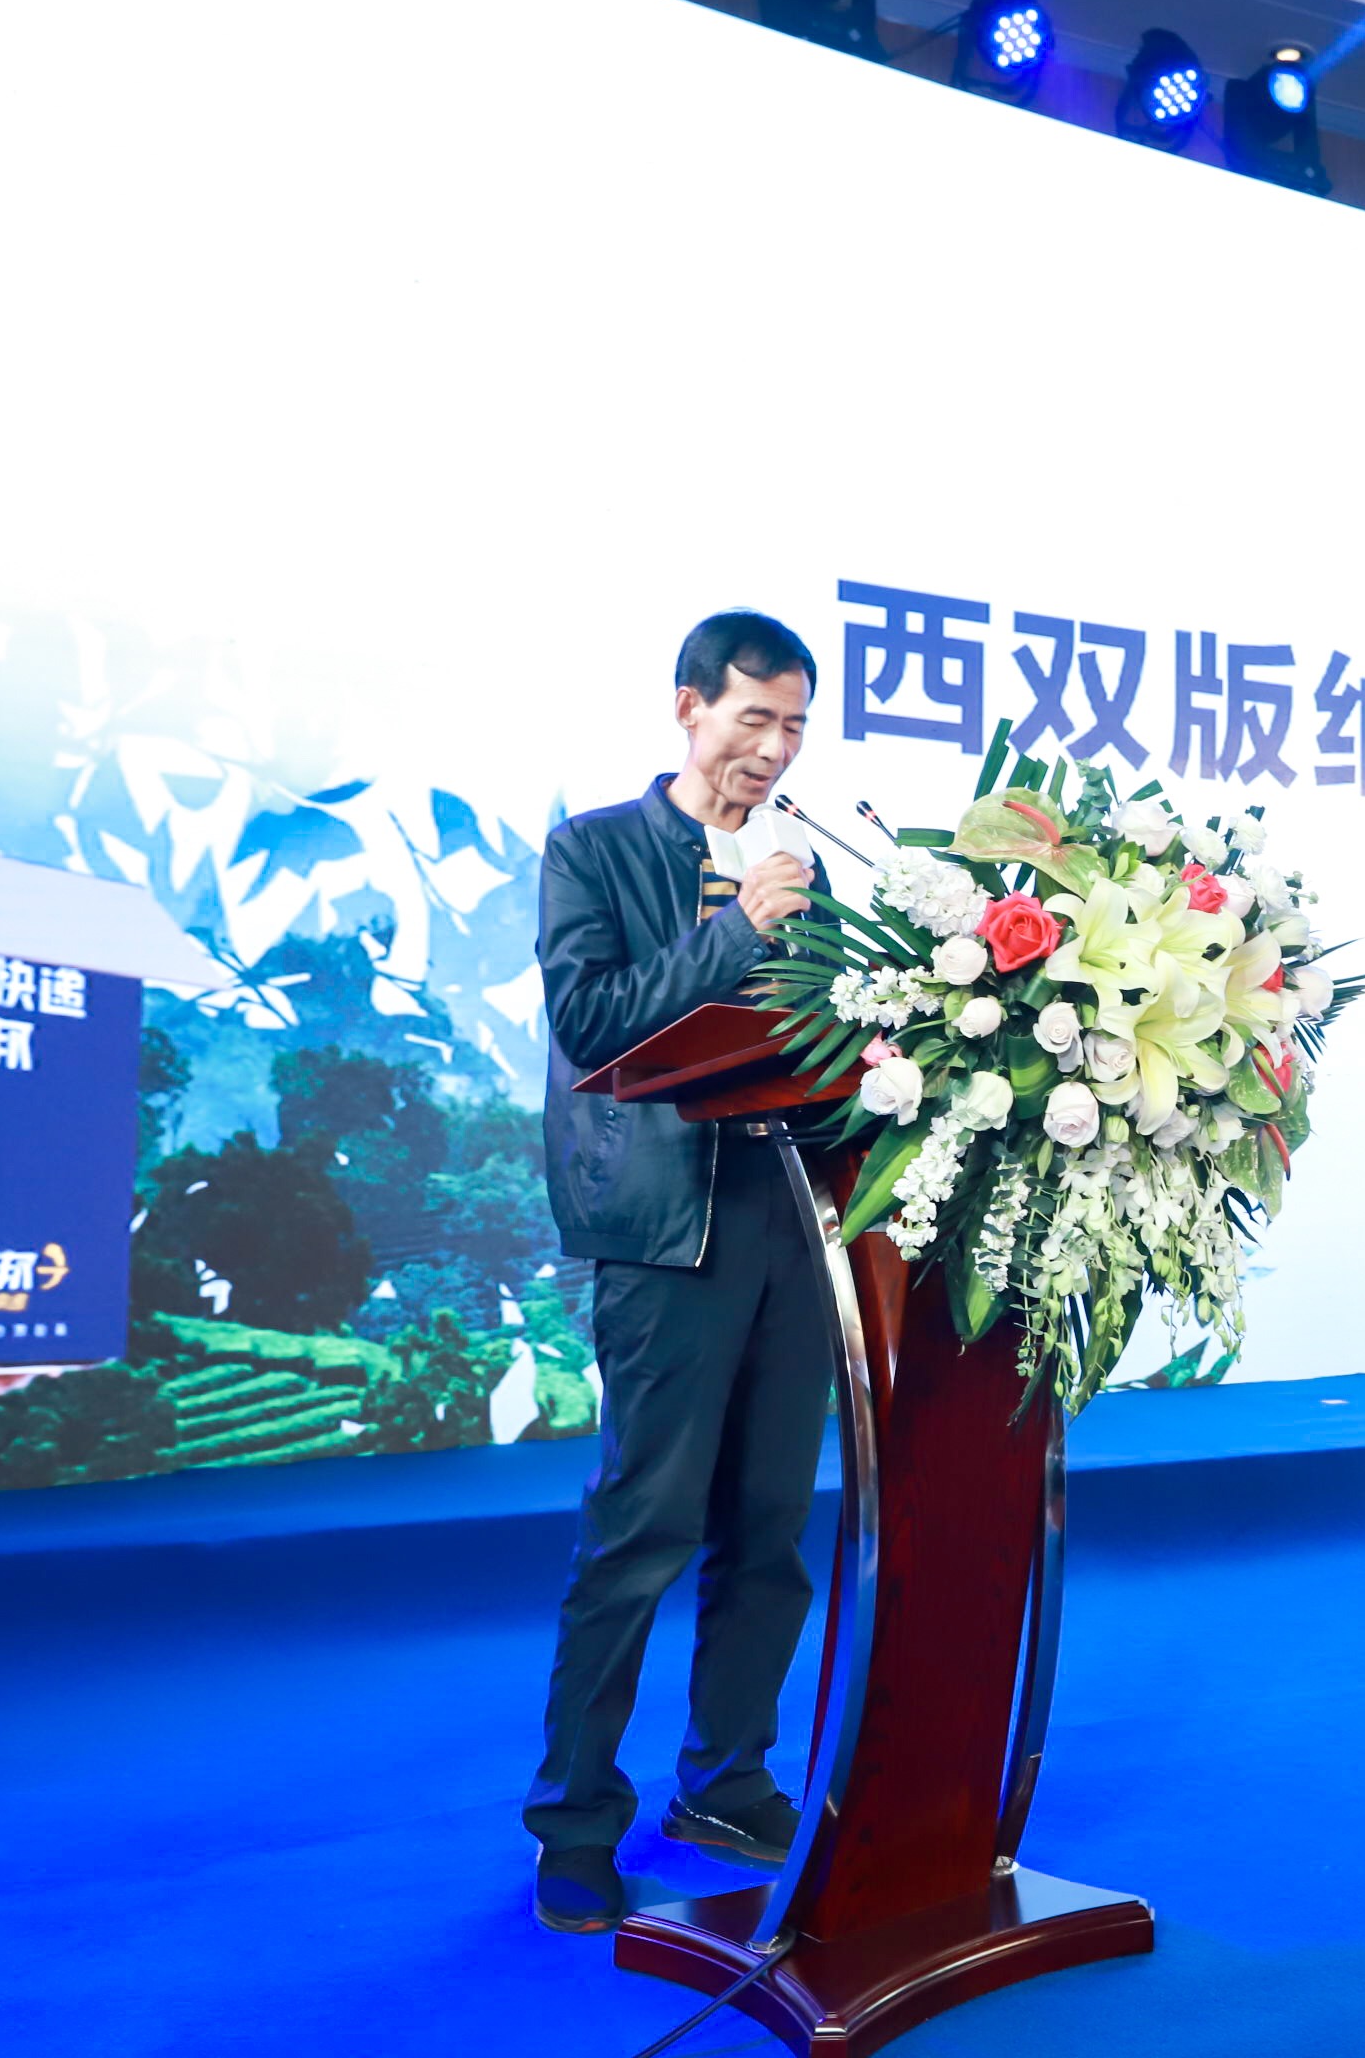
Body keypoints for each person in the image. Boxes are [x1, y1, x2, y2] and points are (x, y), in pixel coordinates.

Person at [522, 609, 839, 1933]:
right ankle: (575, 1821)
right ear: (688, 708)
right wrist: (737, 928)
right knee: (642, 1529)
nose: (774, 748)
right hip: (662, 1231)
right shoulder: (595, 849)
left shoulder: (805, 871)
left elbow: (822, 1047)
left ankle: (726, 1782)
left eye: (794, 726)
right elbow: (591, 1021)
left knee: (769, 1532)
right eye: (754, 717)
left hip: (789, 1226)